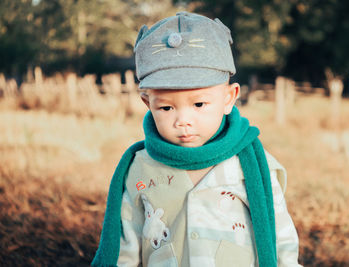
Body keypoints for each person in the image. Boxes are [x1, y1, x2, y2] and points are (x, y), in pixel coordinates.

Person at [92, 12, 302, 267]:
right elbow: (124, 249)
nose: (183, 120)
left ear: (229, 98)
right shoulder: (139, 169)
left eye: (199, 104)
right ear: (147, 103)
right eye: (166, 108)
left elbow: (282, 239)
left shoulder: (255, 166)